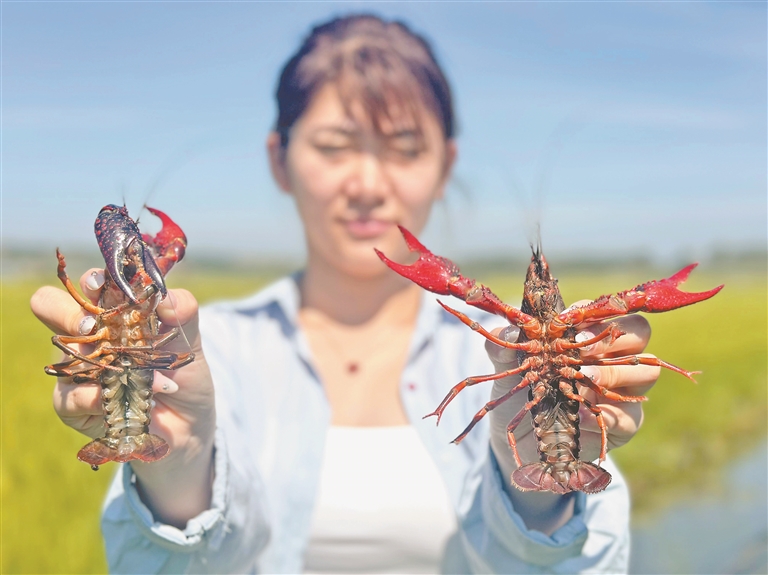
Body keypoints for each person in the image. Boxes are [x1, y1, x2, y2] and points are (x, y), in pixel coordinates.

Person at [31, 14, 657, 574]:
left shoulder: (498, 351)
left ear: (446, 164)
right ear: (280, 159)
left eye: (405, 148)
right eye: (333, 146)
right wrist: (176, 464)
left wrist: (541, 494)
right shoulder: (198, 350)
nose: (366, 184)